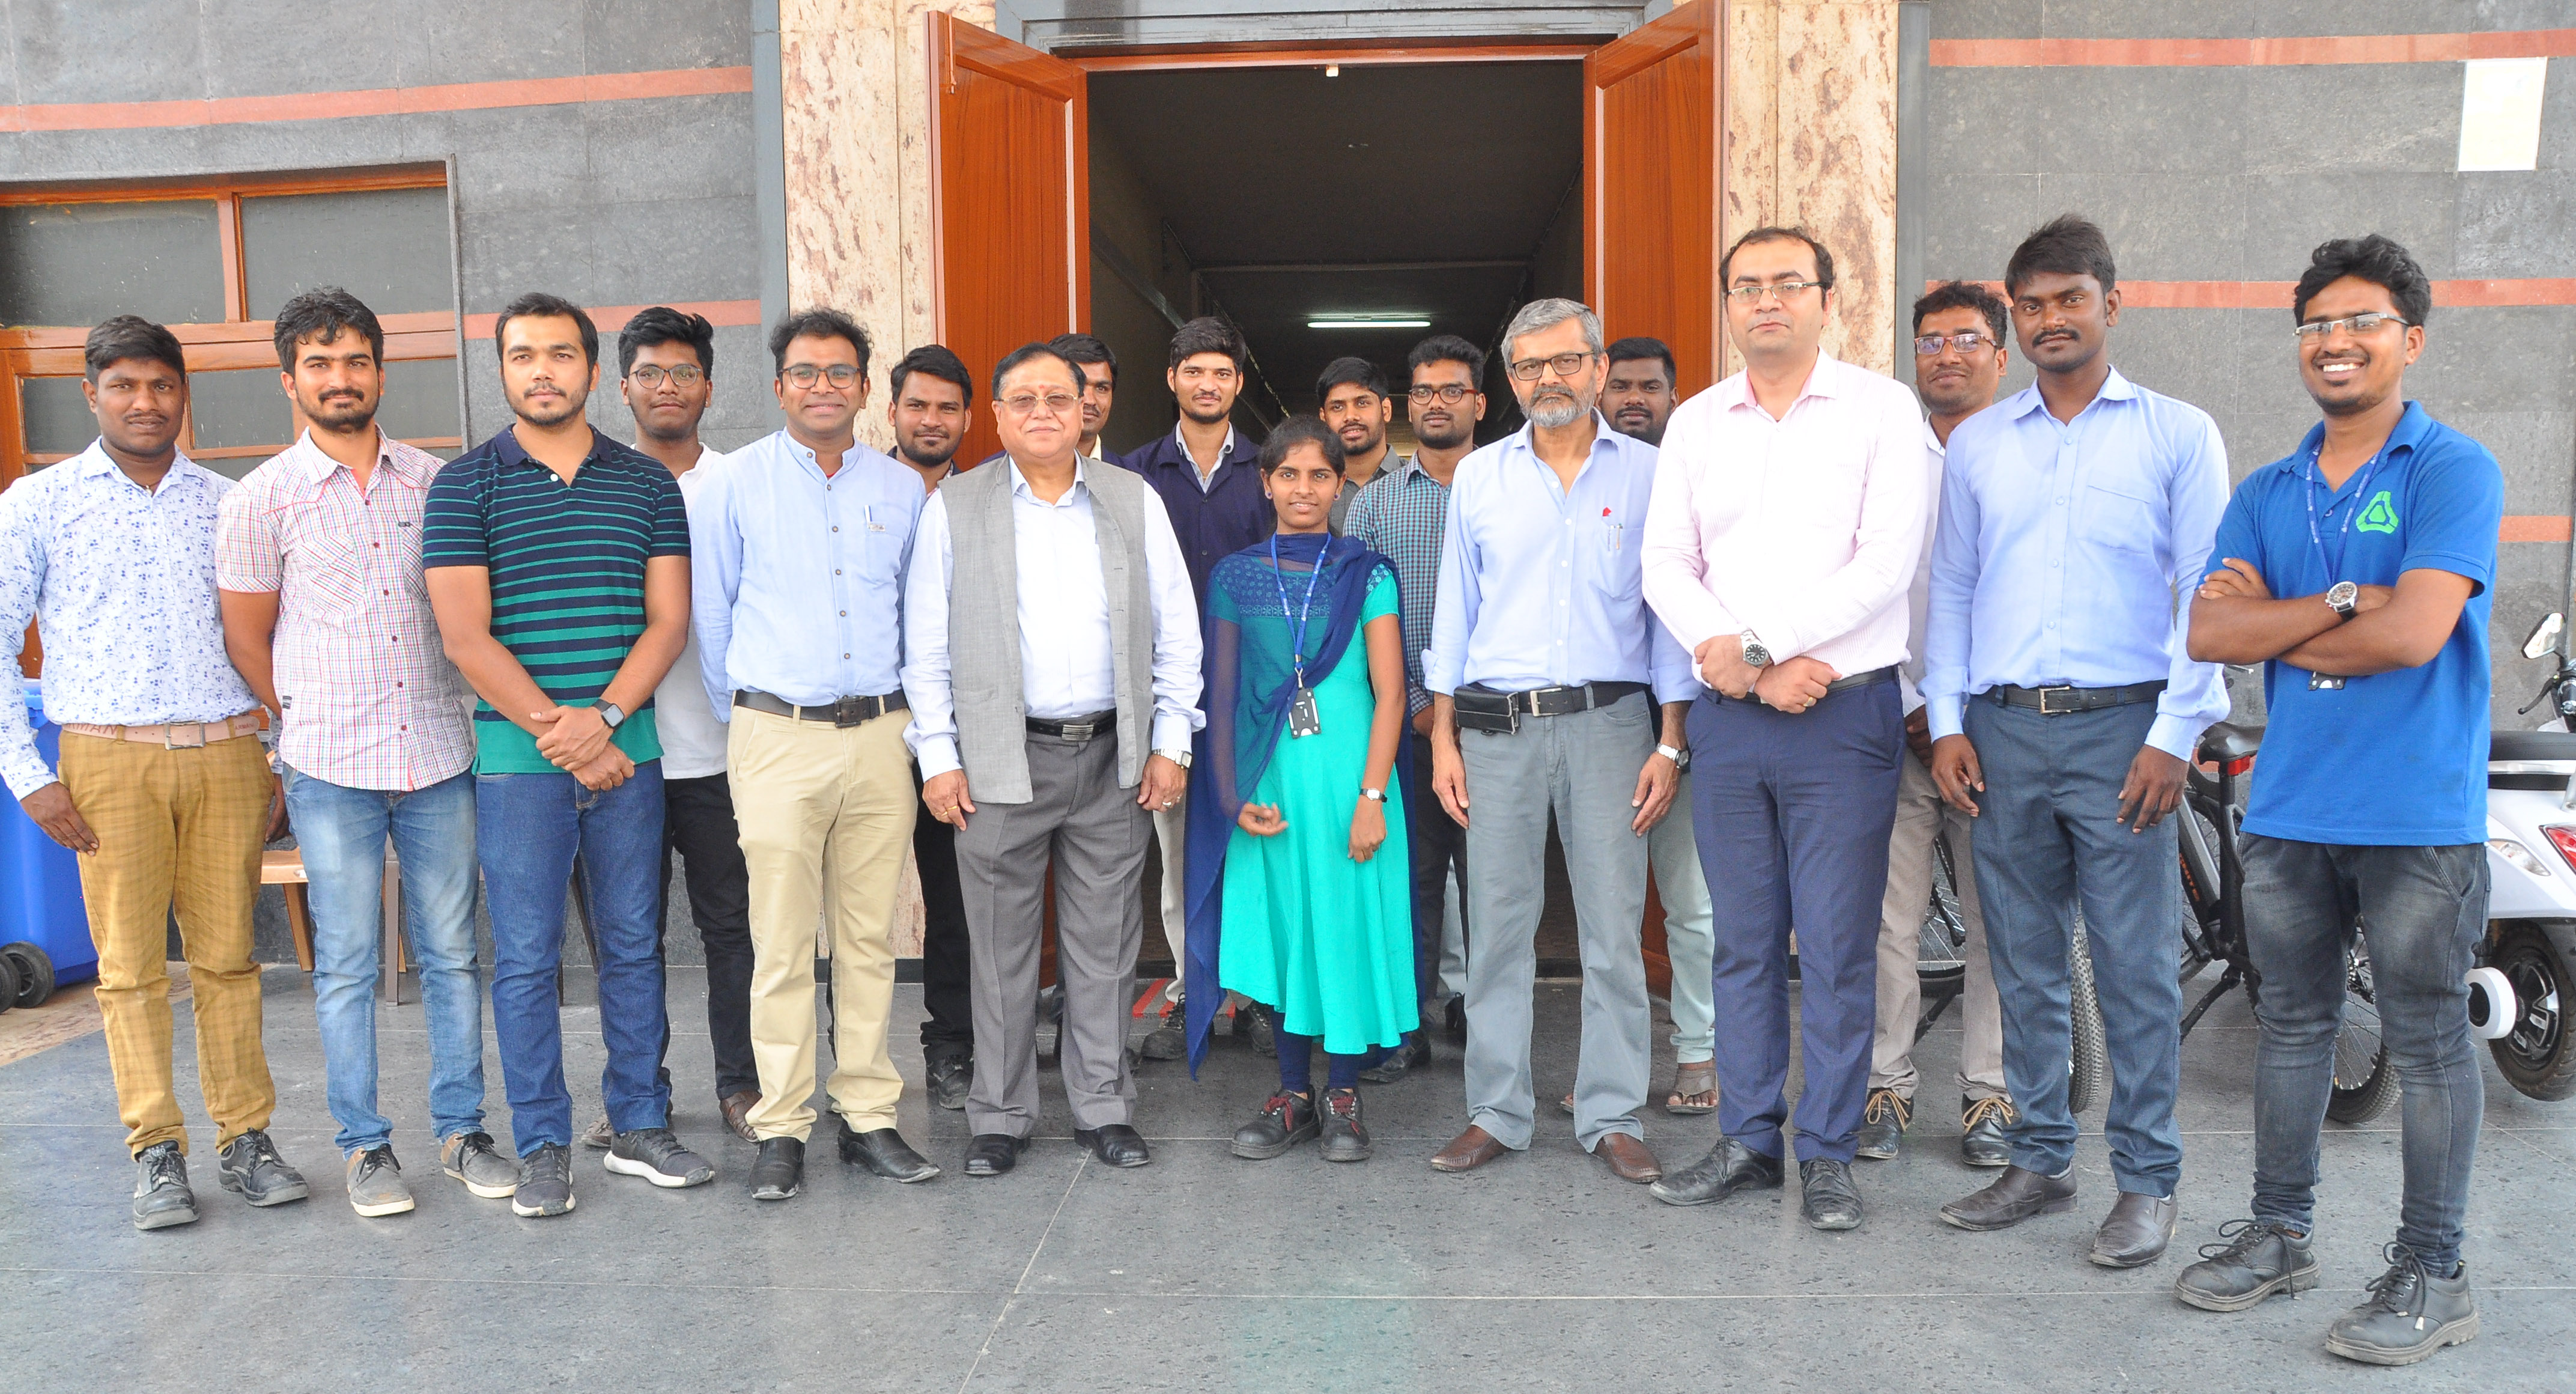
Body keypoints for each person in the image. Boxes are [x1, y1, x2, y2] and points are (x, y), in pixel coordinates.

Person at [2175, 236, 2501, 1366]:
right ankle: (2278, 1233)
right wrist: (2350, 600)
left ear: (2407, 339)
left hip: (2415, 816)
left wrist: (2299, 614)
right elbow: (2211, 633)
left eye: (2359, 322)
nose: (2334, 342)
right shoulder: (2266, 489)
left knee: (2422, 1045)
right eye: (2314, 325)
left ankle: (2432, 1270)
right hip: (2290, 811)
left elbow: (2416, 635)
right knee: (2291, 1029)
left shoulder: (2447, 470)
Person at [1924, 215, 2229, 1267]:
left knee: (2135, 968)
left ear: (2111, 301)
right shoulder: (1978, 444)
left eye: (2070, 299)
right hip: (2002, 734)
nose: (2051, 319)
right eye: (2033, 304)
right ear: (2014, 318)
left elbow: (2206, 591)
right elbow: (1955, 589)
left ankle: (2145, 1182)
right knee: (2018, 960)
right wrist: (1950, 722)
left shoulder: (2175, 434)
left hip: (2123, 737)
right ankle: (2041, 1160)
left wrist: (2173, 733)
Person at [1639, 227, 1924, 1231]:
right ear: (1728, 306)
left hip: (1838, 714)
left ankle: (1828, 1153)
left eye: (1786, 285)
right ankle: (1750, 1142)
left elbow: (1886, 564)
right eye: (1747, 287)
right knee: (1741, 943)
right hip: (1729, 722)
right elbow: (1664, 564)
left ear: (1824, 298)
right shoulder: (1695, 422)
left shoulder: (1881, 413)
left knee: (1839, 946)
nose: (1766, 301)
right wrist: (1742, 664)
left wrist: (1757, 646)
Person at [0, 316, 309, 1230]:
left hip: (224, 753)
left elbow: (271, 642)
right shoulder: (36, 503)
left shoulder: (229, 503)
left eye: (163, 386)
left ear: (185, 394)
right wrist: (29, 775)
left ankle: (246, 1140)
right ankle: (156, 1152)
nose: (146, 403)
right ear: (91, 394)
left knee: (229, 960)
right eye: (125, 386)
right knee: (130, 970)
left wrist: (277, 758)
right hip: (104, 760)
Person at [423, 293, 714, 1219]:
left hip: (630, 755)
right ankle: (544, 1143)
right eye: (522, 356)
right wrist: (564, 728)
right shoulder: (464, 485)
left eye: (559, 354)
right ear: (502, 371)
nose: (541, 370)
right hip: (519, 765)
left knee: (634, 945)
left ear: (593, 371)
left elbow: (670, 621)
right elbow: (466, 638)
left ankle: (638, 1123)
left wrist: (607, 716)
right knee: (527, 959)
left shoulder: (646, 484)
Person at [215, 288, 501, 1219]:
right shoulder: (262, 498)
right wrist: (298, 719)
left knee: (453, 953)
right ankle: (365, 1147)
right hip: (329, 763)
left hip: (436, 753)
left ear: (382, 369)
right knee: (342, 964)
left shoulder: (439, 483)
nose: (340, 380)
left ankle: (462, 1132)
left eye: (356, 361)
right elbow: (247, 637)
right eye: (319, 363)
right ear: (289, 378)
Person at [904, 342, 1204, 1176]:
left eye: (1059, 399)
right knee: (997, 948)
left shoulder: (1132, 499)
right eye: (1023, 399)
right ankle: (999, 1116)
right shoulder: (954, 507)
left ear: (1085, 411)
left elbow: (1176, 633)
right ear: (995, 416)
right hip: (1000, 757)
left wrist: (1170, 743)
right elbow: (924, 648)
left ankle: (1102, 1106)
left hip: (1114, 754)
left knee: (1105, 945)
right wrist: (938, 757)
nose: (1042, 412)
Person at [1423, 297, 1696, 1186]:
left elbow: (1669, 615)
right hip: (1497, 730)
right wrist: (1444, 738)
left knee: (1613, 930)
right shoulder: (1481, 478)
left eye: (1567, 362)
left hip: (1614, 727)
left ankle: (1613, 1112)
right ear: (1511, 379)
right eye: (1532, 366)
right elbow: (1455, 610)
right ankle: (1496, 1112)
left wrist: (1670, 741)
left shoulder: (1652, 474)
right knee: (1499, 929)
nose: (1551, 379)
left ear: (1597, 365)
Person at [691, 308, 934, 1202]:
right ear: (780, 384)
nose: (823, 385)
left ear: (866, 388)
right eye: (806, 371)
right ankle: (784, 1122)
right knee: (783, 942)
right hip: (775, 734)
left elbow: (916, 619)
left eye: (841, 372)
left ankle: (868, 1114)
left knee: (870, 936)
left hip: (881, 736)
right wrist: (753, 720)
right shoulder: (734, 484)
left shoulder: (902, 489)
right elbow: (712, 615)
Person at [557, 307, 762, 1152]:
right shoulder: (593, 480)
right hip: (619, 756)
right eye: (649, 374)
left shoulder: (744, 483)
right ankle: (640, 1090)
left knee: (734, 933)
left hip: (725, 755)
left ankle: (743, 1085)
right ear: (621, 385)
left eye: (683, 373)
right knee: (623, 941)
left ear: (709, 387)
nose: (667, 388)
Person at [1186, 416, 1414, 1162]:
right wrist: (1226, 797)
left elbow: (1390, 692)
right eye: (1290, 475)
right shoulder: (1236, 575)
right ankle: (1293, 1094)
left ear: (1340, 483)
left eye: (1320, 475)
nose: (1304, 489)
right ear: (1266, 482)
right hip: (1269, 782)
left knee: (1341, 927)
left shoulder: (1367, 572)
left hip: (1352, 785)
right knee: (1284, 931)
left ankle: (1342, 1091)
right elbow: (1218, 695)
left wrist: (1373, 797)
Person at [1858, 283, 2016, 1166]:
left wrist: (1972, 716)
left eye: (1964, 339)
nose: (1945, 355)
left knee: (2000, 923)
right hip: (1899, 723)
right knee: (1888, 922)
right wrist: (1923, 710)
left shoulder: (2021, 455)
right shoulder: (1887, 455)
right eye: (1928, 342)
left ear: (2000, 354)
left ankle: (1989, 1098)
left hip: (2000, 735)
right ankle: (1887, 1088)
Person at [1120, 317, 1272, 1059]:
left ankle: (1257, 997)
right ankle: (1192, 992)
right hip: (1165, 702)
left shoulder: (1273, 470)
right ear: (1172, 379)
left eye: (1221, 372)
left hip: (1258, 699)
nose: (1207, 384)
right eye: (1193, 371)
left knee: (1262, 849)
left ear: (1238, 383)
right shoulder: (1132, 473)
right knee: (1178, 860)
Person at [1341, 333, 1482, 1081]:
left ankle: (1492, 1032)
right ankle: (1407, 1028)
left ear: (1479, 402)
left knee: (1493, 885)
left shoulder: (1505, 484)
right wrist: (1426, 711)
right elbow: (1360, 623)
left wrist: (1461, 714)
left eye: (1452, 390)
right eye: (1425, 390)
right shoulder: (1373, 503)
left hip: (1498, 727)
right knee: (1412, 881)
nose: (1437, 402)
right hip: (1407, 726)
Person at [1598, 332, 1720, 1117]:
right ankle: (1611, 1064)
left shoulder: (1702, 480)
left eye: (1652, 387)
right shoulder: (1583, 477)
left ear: (1675, 398)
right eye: (1624, 388)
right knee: (1603, 908)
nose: (1636, 399)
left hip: (1699, 727)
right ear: (1601, 394)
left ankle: (1699, 1055)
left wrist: (1677, 739)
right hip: (1602, 724)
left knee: (1691, 903)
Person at [886, 343, 980, 1110]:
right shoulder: (851, 490)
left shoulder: (986, 499)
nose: (931, 419)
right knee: (850, 902)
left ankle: (954, 1044)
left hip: (956, 731)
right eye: (918, 405)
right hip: (863, 725)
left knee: (955, 895)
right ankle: (847, 1063)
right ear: (891, 412)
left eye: (947, 408)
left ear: (968, 419)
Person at [970, 332, 1121, 468]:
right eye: (1079, 387)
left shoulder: (1136, 484)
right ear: (999, 413)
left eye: (1101, 388)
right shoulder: (978, 485)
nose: (1089, 400)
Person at [1317, 355, 1394, 532]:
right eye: (1337, 407)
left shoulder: (1418, 486)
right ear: (1324, 418)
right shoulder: (1310, 491)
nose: (1350, 416)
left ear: (1386, 410)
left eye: (1362, 403)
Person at [1602, 336, 1678, 446]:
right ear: (1599, 399)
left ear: (1673, 401)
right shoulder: (1579, 463)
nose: (1634, 399)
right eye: (1620, 387)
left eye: (1650, 388)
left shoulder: (1694, 461)